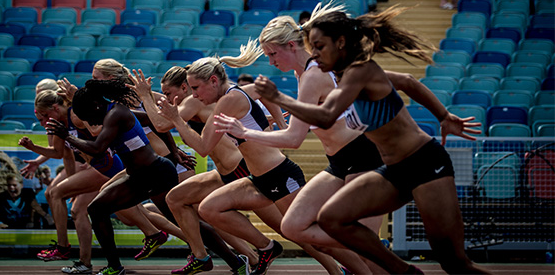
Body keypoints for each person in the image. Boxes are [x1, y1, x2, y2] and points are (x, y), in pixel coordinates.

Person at [211, 14, 481, 274]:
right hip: (349, 162)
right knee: (296, 226)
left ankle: (380, 253)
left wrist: (247, 130)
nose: (270, 61)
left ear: (292, 46)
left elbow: (297, 136)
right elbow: (326, 114)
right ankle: (384, 255)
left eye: (272, 54)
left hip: (376, 157)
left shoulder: (324, 73)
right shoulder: (317, 74)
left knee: (444, 261)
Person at [154, 49, 348, 275]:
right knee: (205, 207)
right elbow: (258, 97)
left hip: (274, 174)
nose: (194, 95)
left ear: (212, 81)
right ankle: (262, 249)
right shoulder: (225, 98)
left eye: (195, 88)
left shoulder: (226, 100)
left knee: (301, 232)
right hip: (256, 177)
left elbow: (200, 145)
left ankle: (356, 257)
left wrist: (281, 126)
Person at [46, 79, 241, 275]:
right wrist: (173, 152)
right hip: (143, 175)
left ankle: (115, 267)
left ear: (96, 105)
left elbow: (97, 149)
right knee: (101, 210)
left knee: (98, 209)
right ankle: (234, 263)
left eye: (87, 115)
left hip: (153, 174)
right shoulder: (116, 112)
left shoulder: (115, 115)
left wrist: (68, 136)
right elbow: (154, 122)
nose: (89, 120)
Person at [129, 67, 269, 273]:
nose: (166, 98)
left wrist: (142, 96)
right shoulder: (196, 100)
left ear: (185, 87)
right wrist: (144, 93)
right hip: (227, 169)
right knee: (189, 204)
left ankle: (262, 252)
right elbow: (167, 103)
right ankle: (212, 256)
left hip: (239, 168)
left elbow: (160, 123)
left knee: (286, 226)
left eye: (168, 93)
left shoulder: (193, 102)